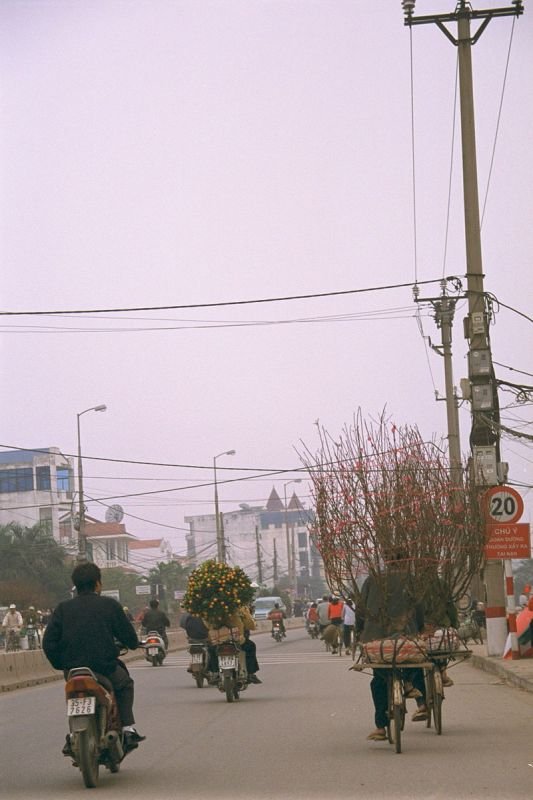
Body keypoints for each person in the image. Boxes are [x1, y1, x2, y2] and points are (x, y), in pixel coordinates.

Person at [42, 562, 145, 754]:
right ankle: (128, 728)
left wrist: (61, 664)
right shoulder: (110, 605)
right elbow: (129, 637)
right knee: (125, 684)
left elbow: (48, 642)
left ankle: (72, 736)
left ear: (76, 585)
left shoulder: (63, 609)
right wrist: (132, 644)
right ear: (98, 584)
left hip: (73, 671)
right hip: (104, 667)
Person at [355, 553, 427, 742]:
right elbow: (419, 608)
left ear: (386, 562)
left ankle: (380, 727)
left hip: (377, 639)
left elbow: (361, 610)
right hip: (406, 636)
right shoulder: (411, 580)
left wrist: (359, 631)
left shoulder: (372, 580)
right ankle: (410, 684)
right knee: (414, 660)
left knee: (378, 681)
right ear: (405, 561)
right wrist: (419, 628)